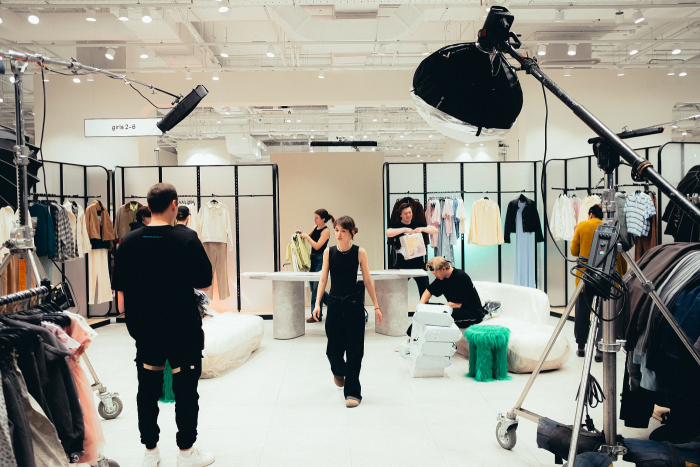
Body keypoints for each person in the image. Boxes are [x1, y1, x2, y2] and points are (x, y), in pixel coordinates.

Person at [112, 183, 215, 467]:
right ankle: (186, 452)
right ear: (174, 204)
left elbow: (120, 293)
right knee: (186, 391)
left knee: (147, 390)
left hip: (145, 330)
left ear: (148, 206)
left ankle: (151, 453)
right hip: (183, 328)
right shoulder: (187, 238)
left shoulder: (129, 241)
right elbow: (205, 282)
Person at [313, 216, 382, 408]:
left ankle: (352, 392)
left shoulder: (360, 252)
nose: (338, 234)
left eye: (343, 231)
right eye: (336, 230)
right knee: (333, 350)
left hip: (354, 305)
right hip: (334, 305)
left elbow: (367, 280)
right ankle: (339, 371)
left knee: (354, 351)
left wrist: (376, 306)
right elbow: (323, 279)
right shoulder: (329, 252)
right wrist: (317, 303)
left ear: (352, 232)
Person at [407, 256, 484, 336]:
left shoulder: (460, 277)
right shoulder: (442, 278)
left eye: (436, 273)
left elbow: (457, 304)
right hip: (453, 308)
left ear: (443, 269)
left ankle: (416, 336)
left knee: (435, 315)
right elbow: (428, 291)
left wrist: (438, 309)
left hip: (472, 313)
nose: (435, 276)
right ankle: (412, 335)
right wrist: (421, 305)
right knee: (425, 309)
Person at [571, 204, 604, 362]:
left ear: (590, 214)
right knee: (603, 313)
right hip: (603, 277)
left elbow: (573, 251)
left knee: (582, 311)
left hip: (584, 276)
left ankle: (581, 346)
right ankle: (599, 349)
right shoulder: (607, 227)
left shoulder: (582, 226)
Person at [386, 203, 438, 298]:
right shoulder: (397, 226)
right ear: (400, 214)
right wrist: (404, 229)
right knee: (398, 291)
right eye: (405, 213)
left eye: (410, 212)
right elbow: (388, 233)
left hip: (419, 264)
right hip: (402, 264)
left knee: (425, 289)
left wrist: (422, 229)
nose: (408, 215)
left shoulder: (417, 224)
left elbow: (435, 230)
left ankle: (424, 306)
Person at [298, 209, 334, 323]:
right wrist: (300, 234)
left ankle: (316, 315)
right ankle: (333, 303)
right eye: (314, 217)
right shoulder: (315, 227)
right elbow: (306, 237)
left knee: (317, 287)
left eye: (317, 218)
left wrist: (307, 237)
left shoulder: (326, 231)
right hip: (312, 259)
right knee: (314, 287)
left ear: (323, 219)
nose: (314, 220)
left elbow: (317, 246)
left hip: (321, 259)